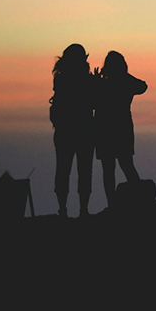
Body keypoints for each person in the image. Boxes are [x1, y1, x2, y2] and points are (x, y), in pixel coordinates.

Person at [95, 51, 147, 204]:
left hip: (104, 128)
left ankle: (112, 203)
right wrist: (124, 75)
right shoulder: (125, 82)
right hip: (122, 127)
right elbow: (142, 85)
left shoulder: (102, 84)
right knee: (126, 165)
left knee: (109, 169)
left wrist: (98, 81)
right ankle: (138, 199)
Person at [51, 43, 96, 217]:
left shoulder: (60, 79)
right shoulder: (87, 80)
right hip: (84, 130)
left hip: (64, 130)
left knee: (63, 170)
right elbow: (93, 102)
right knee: (84, 171)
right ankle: (83, 210)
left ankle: (63, 210)